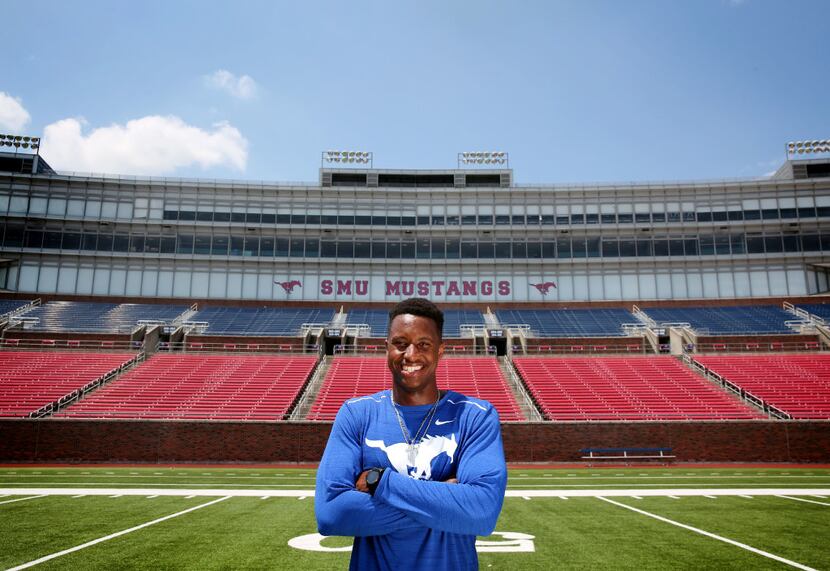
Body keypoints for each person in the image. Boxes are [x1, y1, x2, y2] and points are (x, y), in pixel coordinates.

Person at [315, 297, 507, 570]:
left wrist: (379, 482)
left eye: (424, 344)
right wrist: (446, 500)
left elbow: (482, 513)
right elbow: (332, 514)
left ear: (441, 351)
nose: (411, 354)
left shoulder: (475, 415)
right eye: (400, 343)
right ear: (387, 349)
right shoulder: (356, 414)